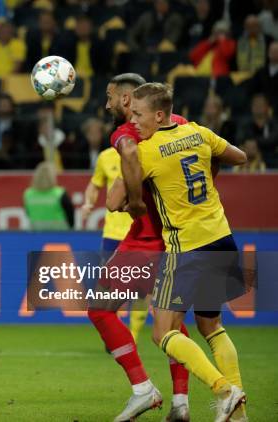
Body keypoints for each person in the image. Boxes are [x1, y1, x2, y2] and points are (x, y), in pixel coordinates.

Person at [122, 82, 248, 422]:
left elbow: (118, 200)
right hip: (221, 237)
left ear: (159, 115)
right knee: (212, 327)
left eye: (138, 114)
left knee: (163, 332)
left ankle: (224, 389)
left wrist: (129, 159)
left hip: (187, 248)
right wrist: (206, 174)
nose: (132, 121)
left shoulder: (146, 150)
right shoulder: (198, 132)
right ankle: (239, 416)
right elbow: (240, 156)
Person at [87, 73, 191, 422]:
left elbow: (128, 157)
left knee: (100, 308)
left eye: (111, 96)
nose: (107, 104)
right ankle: (181, 402)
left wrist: (134, 201)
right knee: (173, 321)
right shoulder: (181, 123)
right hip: (182, 238)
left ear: (128, 99)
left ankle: (142, 389)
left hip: (147, 239)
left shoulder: (125, 133)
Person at [23, 161, 73, 230]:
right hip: (59, 229)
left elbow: (27, 212)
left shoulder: (28, 193)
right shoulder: (59, 193)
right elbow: (70, 213)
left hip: (36, 228)